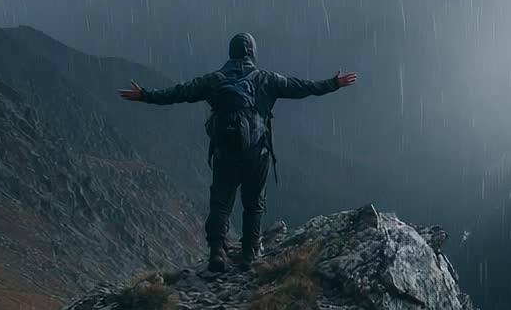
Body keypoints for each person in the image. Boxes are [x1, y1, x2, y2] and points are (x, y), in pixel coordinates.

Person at [118, 33, 357, 272]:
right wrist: (334, 83)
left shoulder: (213, 80)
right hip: (257, 153)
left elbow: (179, 93)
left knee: (221, 203)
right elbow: (303, 87)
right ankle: (250, 253)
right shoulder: (266, 79)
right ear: (252, 52)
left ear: (230, 53)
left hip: (225, 153)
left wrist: (145, 95)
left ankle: (216, 252)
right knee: (254, 204)